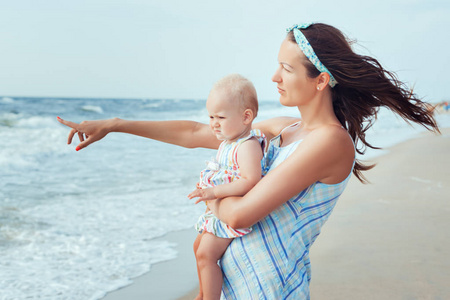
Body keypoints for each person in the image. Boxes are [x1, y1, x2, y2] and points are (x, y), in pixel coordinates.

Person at [57, 22, 439, 299]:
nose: (274, 76)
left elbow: (240, 216)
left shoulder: (330, 143)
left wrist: (210, 193)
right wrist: (118, 124)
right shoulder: (282, 128)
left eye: (287, 69)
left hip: (268, 289)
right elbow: (197, 134)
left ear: (320, 80)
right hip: (234, 286)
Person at [187, 74, 266, 300]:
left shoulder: (247, 146)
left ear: (246, 117)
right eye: (211, 116)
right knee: (197, 247)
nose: (214, 123)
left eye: (221, 117)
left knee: (206, 254)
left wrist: (213, 193)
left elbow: (251, 180)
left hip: (233, 211)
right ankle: (203, 294)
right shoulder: (227, 143)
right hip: (218, 212)